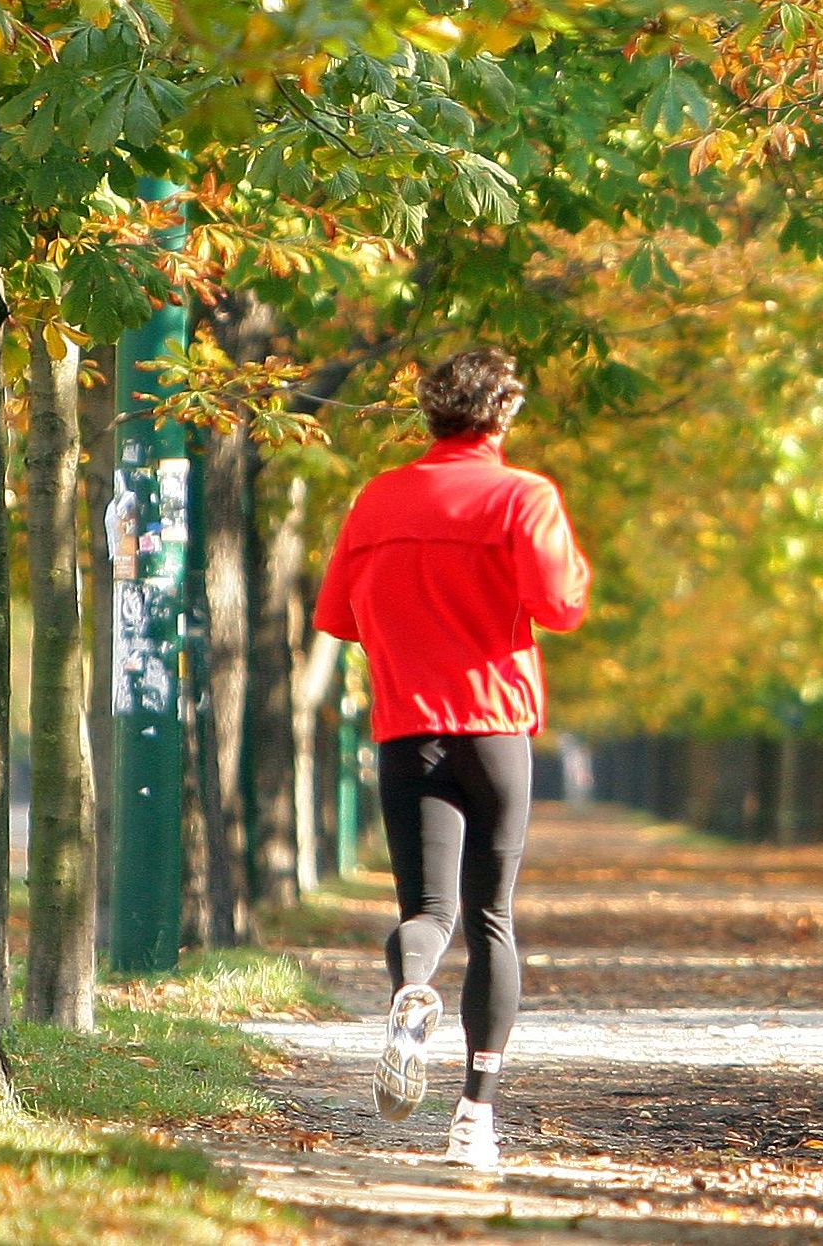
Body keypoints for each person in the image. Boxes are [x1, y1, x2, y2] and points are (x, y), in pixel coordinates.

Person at [313, 347, 588, 1170]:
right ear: (503, 415)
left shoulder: (377, 500)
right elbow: (561, 604)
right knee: (493, 916)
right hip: (495, 728)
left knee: (430, 912)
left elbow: (338, 615)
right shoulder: (522, 496)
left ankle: (409, 996)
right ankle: (474, 1116)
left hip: (407, 730)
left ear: (428, 414)